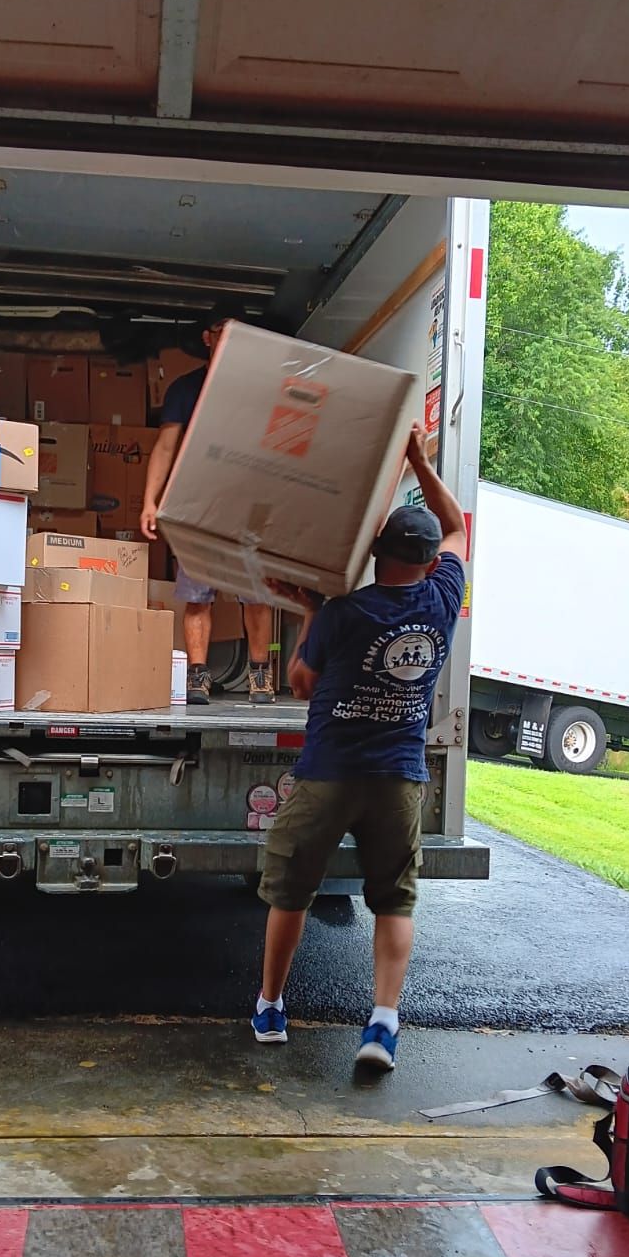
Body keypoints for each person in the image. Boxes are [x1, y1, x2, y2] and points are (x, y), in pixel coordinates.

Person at [252, 423, 467, 1070]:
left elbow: (301, 681)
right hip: (399, 777)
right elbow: (456, 527)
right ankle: (382, 1023)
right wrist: (419, 462)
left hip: (330, 773)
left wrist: (312, 612)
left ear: (376, 557)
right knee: (393, 898)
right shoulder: (443, 598)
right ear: (430, 563)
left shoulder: (347, 612)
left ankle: (269, 1006)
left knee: (291, 891)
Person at [140, 303, 275, 705]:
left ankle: (260, 677)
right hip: (196, 505)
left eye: (239, 332)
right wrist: (150, 501)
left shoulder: (261, 389)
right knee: (197, 595)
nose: (231, 339)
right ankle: (197, 677)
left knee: (257, 595)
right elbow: (165, 446)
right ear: (208, 337)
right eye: (223, 330)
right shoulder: (186, 388)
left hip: (249, 507)